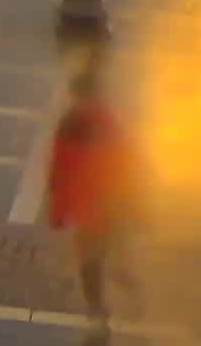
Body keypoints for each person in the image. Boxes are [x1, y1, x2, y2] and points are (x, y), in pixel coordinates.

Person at [44, 57, 136, 340]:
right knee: (94, 258)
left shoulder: (76, 122)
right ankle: (104, 300)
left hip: (96, 204)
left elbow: (59, 169)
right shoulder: (100, 121)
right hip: (98, 204)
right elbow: (60, 170)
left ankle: (100, 306)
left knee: (91, 260)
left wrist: (58, 207)